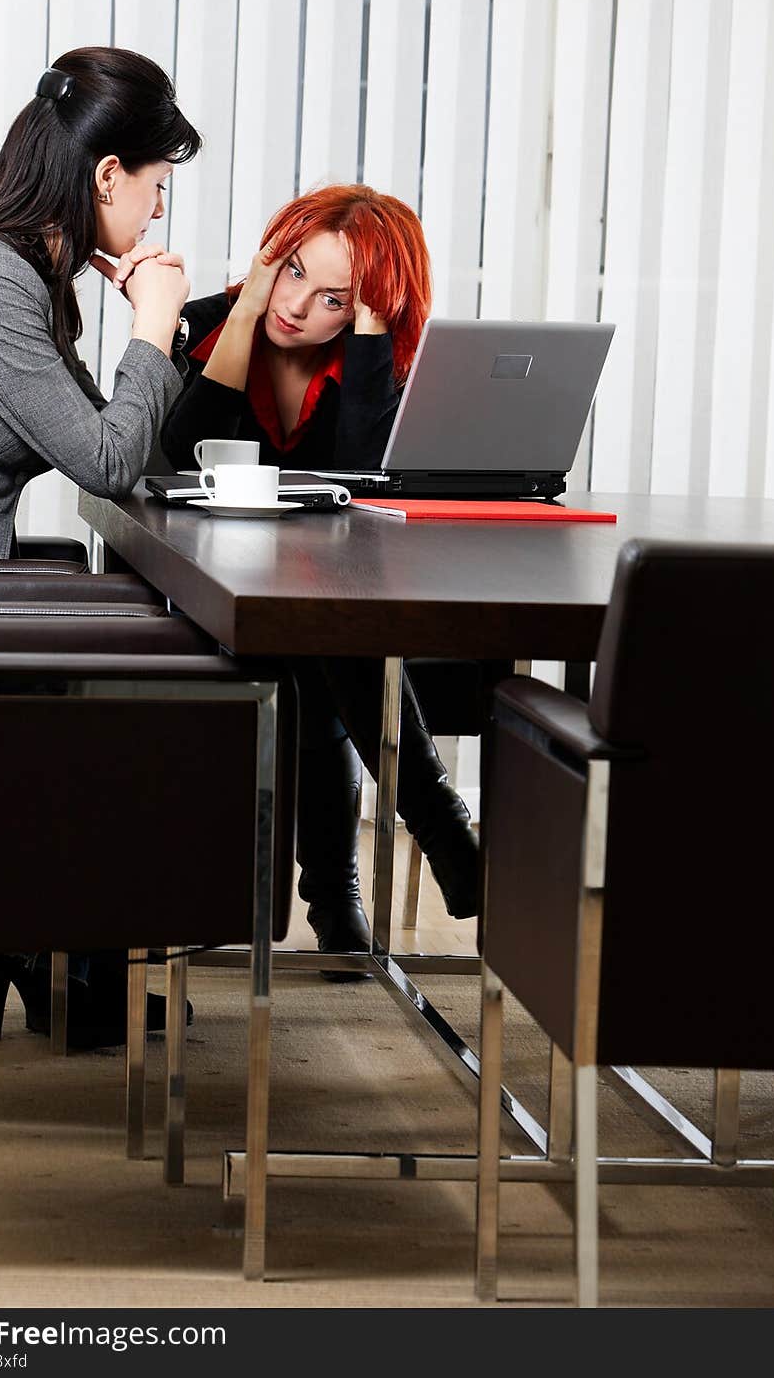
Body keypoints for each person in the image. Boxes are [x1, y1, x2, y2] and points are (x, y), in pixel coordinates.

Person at [0, 45, 200, 1040]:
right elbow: (110, 460)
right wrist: (154, 328)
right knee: (134, 667)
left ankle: (63, 951)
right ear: (108, 175)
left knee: (130, 643)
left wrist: (146, 331)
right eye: (156, 185)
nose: (157, 211)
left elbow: (113, 447)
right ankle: (64, 953)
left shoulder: (29, 273)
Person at [161, 185, 486, 976]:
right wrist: (245, 313)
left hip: (315, 609)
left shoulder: (373, 362)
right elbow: (180, 452)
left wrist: (373, 331)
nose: (298, 305)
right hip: (201, 600)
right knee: (327, 632)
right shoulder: (203, 324)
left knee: (320, 627)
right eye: (295, 271)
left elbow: (363, 480)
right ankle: (418, 836)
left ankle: (342, 895)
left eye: (335, 298)